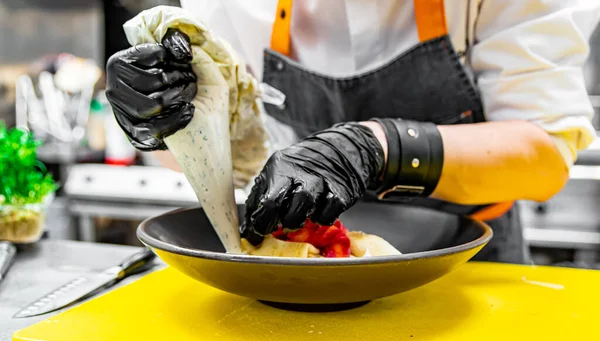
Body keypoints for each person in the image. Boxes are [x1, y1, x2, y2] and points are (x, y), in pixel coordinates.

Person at [106, 0, 600, 263]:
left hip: (469, 268)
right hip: (299, 270)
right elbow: (234, 153)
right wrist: (166, 118)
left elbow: (544, 154)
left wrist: (376, 148)